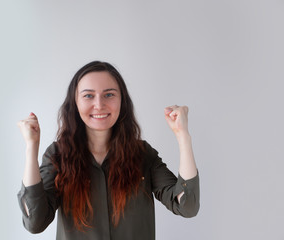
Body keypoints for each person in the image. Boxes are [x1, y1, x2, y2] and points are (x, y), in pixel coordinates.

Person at [16, 61, 200, 240]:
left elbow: (186, 205)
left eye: (109, 95)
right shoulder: (58, 155)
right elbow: (35, 222)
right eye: (88, 95)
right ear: (75, 102)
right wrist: (31, 148)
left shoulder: (143, 154)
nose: (99, 104)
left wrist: (183, 135)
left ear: (122, 100)